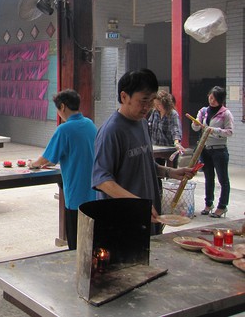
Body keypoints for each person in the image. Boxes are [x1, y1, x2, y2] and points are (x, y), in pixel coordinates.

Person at [91, 69, 194, 235]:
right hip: (122, 222)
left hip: (146, 217)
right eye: (143, 101)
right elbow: (102, 180)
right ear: (124, 97)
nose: (148, 107)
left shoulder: (142, 124)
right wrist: (137, 204)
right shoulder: (111, 131)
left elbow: (143, 163)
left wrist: (170, 172)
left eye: (152, 100)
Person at [28, 89, 97, 250]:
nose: (58, 113)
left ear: (63, 107)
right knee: (92, 242)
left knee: (76, 244)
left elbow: (46, 158)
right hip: (94, 193)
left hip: (76, 195)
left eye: (58, 109)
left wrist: (33, 164)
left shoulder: (64, 129)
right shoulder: (89, 124)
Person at [191, 86, 234, 218]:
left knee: (223, 180)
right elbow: (195, 128)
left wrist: (213, 130)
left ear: (221, 100)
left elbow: (230, 132)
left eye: (215, 99)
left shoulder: (225, 113)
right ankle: (208, 204)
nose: (212, 100)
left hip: (219, 151)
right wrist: (197, 124)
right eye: (210, 97)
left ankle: (222, 206)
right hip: (205, 150)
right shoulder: (203, 111)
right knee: (209, 178)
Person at [148, 90, 184, 168]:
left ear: (165, 103)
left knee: (171, 172)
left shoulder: (172, 114)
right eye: (155, 104)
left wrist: (177, 142)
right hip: (156, 146)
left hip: (169, 147)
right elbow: (149, 126)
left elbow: (175, 129)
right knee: (157, 171)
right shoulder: (155, 112)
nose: (157, 106)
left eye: (159, 104)